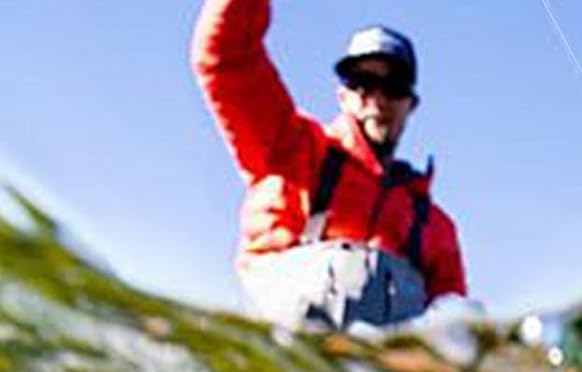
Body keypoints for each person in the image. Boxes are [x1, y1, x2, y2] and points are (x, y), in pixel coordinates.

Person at [192, 1, 467, 331]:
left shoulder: (438, 229)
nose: (378, 99)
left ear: (411, 104)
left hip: (374, 360)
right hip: (280, 343)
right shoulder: (290, 149)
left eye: (394, 86)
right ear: (343, 96)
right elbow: (226, 57)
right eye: (362, 82)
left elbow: (457, 333)